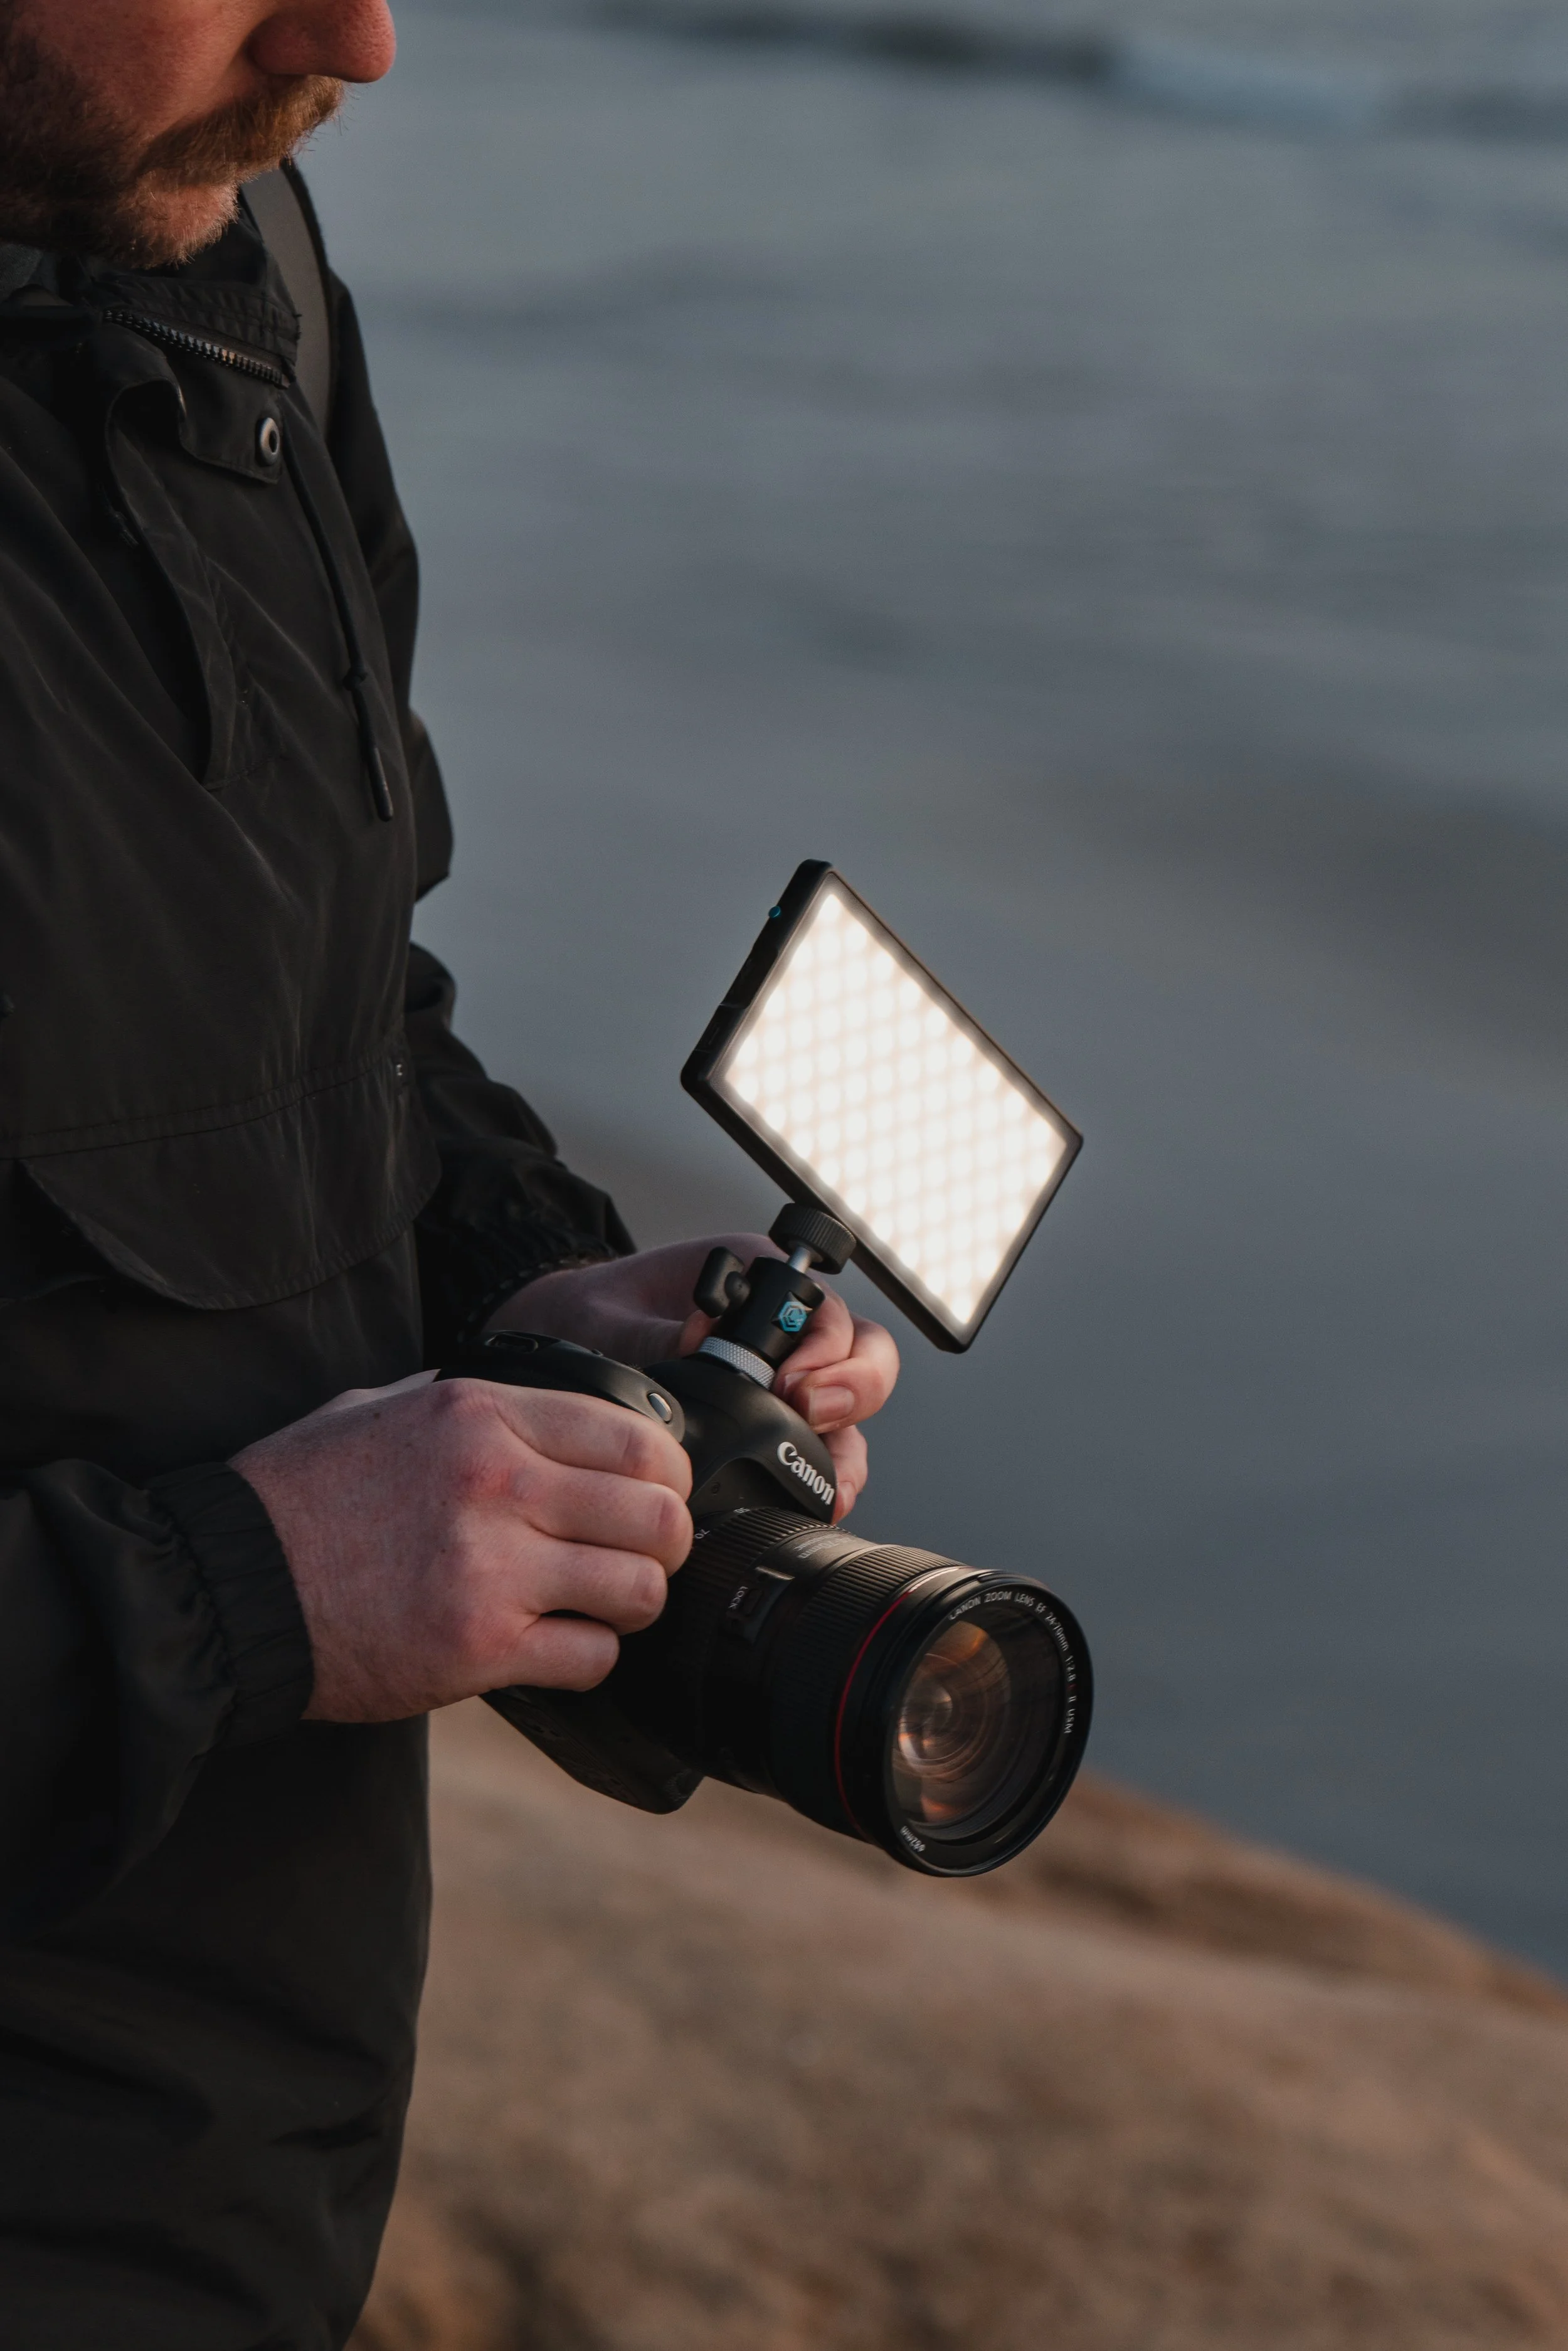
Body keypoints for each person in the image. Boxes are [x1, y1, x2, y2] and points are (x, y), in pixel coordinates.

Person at [0, 3, 899, 2342]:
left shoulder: (223, 256)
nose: (358, 43)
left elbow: (337, 1000)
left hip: (236, 2181)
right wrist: (247, 1587)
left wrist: (530, 1293)